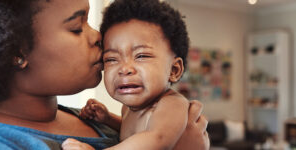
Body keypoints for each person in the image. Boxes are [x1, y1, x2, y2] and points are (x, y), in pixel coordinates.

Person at [0, 0, 209, 149]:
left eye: (141, 56)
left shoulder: (86, 117)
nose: (99, 36)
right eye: (77, 27)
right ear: (15, 51)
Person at [61, 0, 207, 149]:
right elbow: (133, 133)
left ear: (174, 70)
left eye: (141, 56)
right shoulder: (128, 109)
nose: (124, 69)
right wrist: (108, 119)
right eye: (111, 59)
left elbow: (157, 139)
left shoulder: (171, 104)